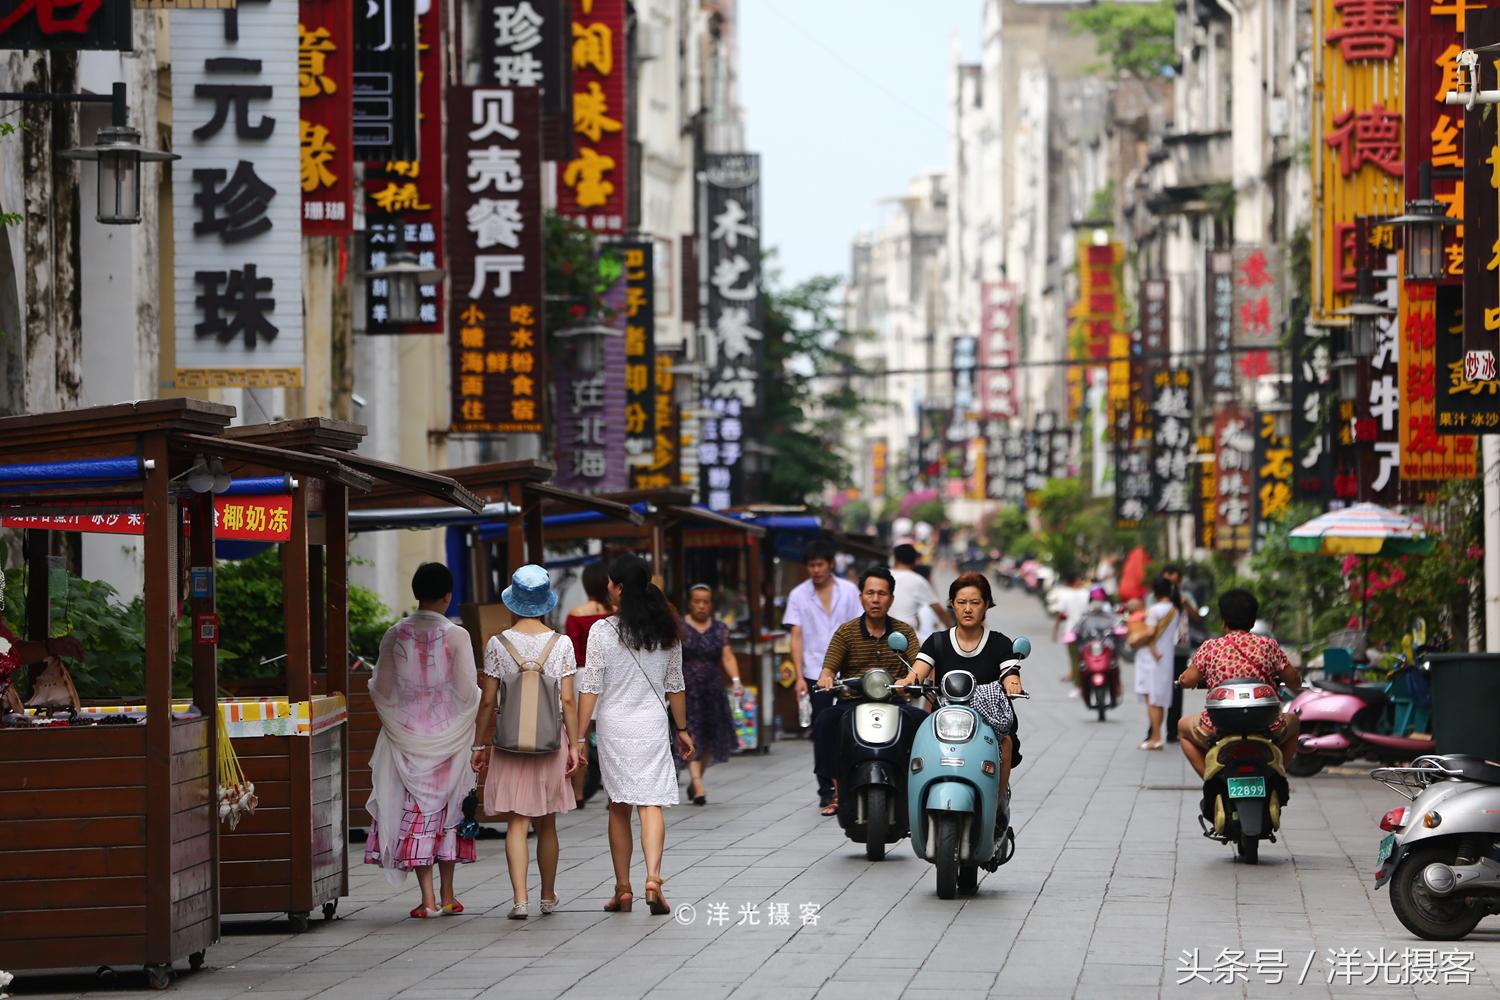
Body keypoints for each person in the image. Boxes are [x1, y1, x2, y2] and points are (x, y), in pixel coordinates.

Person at [577, 554, 696, 916]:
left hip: (615, 726)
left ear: (619, 587)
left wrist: (579, 737)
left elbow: (591, 687)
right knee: (650, 803)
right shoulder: (667, 631)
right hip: (652, 725)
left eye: (611, 582)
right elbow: (675, 686)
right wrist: (683, 729)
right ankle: (654, 879)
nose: (608, 588)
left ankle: (623, 889)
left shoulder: (602, 631)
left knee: (618, 807)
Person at [365, 563, 480, 918]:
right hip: (450, 737)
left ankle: (427, 898)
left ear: (416, 593)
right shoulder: (457, 636)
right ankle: (448, 894)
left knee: (414, 814)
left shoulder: (393, 635)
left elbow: (381, 690)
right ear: (448, 596)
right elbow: (467, 691)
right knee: (448, 813)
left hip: (407, 739)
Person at [470, 565, 581, 920]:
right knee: (546, 822)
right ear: (545, 603)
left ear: (514, 603)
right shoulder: (561, 643)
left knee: (517, 821)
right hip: (550, 742)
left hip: (509, 743)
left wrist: (478, 744)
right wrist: (576, 744)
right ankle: (547, 896)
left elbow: (488, 700)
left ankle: (520, 900)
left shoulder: (497, 644)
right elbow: (567, 700)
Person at [813, 566, 923, 817]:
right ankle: (837, 791)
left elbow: (918, 665)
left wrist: (910, 680)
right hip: (853, 703)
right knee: (825, 721)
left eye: (882, 593)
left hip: (894, 702)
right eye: (870, 593)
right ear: (861, 596)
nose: (875, 599)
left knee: (923, 723)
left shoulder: (904, 632)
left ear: (892, 599)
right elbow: (828, 669)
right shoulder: (846, 632)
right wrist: (826, 678)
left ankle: (915, 787)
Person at [907, 573, 1023, 800]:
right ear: (952, 605)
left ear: (987, 605)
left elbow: (1011, 673)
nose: (968, 609)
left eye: (975, 602)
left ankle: (997, 804)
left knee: (1006, 742)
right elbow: (917, 672)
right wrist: (906, 682)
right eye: (961, 602)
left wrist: (1012, 684)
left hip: (988, 722)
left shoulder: (1000, 643)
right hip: (943, 719)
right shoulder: (937, 641)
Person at [1177, 588, 1302, 777]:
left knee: (1182, 727)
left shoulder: (1210, 647)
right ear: (1253, 621)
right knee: (1295, 722)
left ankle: (1210, 779)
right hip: (1266, 724)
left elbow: (1188, 680)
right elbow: (1294, 681)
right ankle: (1277, 773)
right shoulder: (1268, 645)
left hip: (1218, 724)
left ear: (1223, 620)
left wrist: (1182, 680)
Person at [783, 538, 862, 811]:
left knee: (851, 726)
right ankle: (826, 787)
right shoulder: (798, 595)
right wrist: (799, 678)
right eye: (811, 565)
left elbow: (859, 627)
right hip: (814, 670)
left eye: (820, 564)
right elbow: (796, 636)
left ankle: (850, 782)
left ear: (830, 565)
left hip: (848, 672)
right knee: (822, 729)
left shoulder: (850, 591)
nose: (815, 570)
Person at [678, 584, 743, 805]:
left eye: (705, 601)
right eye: (697, 601)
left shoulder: (719, 628)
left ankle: (697, 779)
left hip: (712, 690)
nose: (701, 606)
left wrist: (736, 681)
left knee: (707, 739)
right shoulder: (680, 626)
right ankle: (697, 784)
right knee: (692, 734)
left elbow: (727, 656)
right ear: (690, 602)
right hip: (687, 691)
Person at [563, 562, 613, 808]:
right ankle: (613, 788)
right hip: (609, 675)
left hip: (582, 675)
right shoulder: (614, 613)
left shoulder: (576, 614)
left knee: (581, 734)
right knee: (607, 734)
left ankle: (579, 792)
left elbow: (570, 650)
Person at [1134, 576, 1185, 750]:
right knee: (1160, 698)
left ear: (1155, 593)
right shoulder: (1175, 610)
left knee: (1152, 699)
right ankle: (1157, 736)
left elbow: (1149, 633)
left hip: (1151, 658)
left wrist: (1135, 637)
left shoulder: (1154, 610)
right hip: (1166, 658)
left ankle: (1155, 738)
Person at [1161, 563, 1201, 744]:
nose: (1172, 583)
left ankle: (1173, 731)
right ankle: (1153, 730)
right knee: (1158, 690)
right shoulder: (1156, 597)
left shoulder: (1186, 596)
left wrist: (1185, 603)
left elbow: (1196, 617)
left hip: (1180, 650)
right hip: (1161, 651)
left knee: (1177, 690)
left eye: (1175, 579)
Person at [890, 543, 952, 632]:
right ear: (914, 561)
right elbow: (939, 611)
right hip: (906, 636)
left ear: (895, 559)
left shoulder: (884, 577)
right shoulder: (918, 581)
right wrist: (952, 632)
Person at [1051, 572, 1091, 695]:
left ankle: (1078, 687)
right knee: (1087, 659)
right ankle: (1088, 684)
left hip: (1071, 632)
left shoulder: (1064, 595)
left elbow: (1060, 615)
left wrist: (1055, 631)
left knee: (1075, 660)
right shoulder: (1087, 594)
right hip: (1088, 631)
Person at [912, 564, 944, 644]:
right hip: (928, 645)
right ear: (929, 579)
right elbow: (937, 625)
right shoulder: (932, 605)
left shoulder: (910, 602)